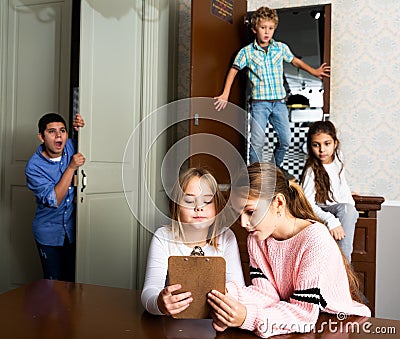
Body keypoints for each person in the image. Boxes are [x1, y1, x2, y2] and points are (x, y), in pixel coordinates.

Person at [206, 162, 370, 338]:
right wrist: (226, 297)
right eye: (238, 214)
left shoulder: (315, 239)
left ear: (278, 203)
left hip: (336, 324)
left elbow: (304, 313)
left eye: (250, 212)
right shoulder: (256, 239)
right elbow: (266, 294)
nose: (243, 223)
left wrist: (247, 317)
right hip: (296, 324)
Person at [214, 6, 330, 172]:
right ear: (255, 29)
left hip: (279, 104)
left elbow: (295, 61)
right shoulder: (246, 52)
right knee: (257, 142)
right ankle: (256, 175)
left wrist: (314, 71)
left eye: (270, 28)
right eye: (263, 28)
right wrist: (225, 94)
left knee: (285, 140)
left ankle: (273, 170)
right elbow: (233, 70)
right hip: (259, 104)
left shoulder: (280, 48)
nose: (267, 32)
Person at [141, 167, 245, 316]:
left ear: (217, 206)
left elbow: (239, 291)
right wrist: (159, 304)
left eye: (207, 201)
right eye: (189, 201)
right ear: (176, 206)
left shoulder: (226, 237)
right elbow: (148, 292)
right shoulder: (163, 237)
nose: (198, 208)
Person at [25, 112, 86, 282]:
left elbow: (88, 140)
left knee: (74, 280)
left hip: (74, 231)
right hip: (48, 234)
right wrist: (71, 168)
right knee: (54, 283)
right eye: (52, 131)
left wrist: (79, 129)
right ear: (41, 137)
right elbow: (54, 200)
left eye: (62, 130)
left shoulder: (70, 147)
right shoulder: (34, 167)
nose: (59, 135)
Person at [300, 120, 358, 263]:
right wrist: (331, 221)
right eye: (316, 145)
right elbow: (307, 204)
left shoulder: (339, 159)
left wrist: (349, 200)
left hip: (335, 207)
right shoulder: (311, 171)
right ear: (310, 146)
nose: (322, 150)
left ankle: (342, 265)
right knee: (347, 210)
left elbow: (341, 184)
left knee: (349, 210)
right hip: (320, 211)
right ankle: (343, 267)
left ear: (335, 144)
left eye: (327, 144)